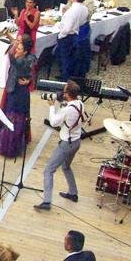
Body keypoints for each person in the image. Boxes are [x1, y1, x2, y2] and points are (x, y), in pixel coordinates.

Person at [35, 80, 84, 211]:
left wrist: (52, 106)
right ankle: (73, 193)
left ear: (68, 94)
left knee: (48, 170)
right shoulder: (80, 104)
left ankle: (46, 201)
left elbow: (54, 122)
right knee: (66, 166)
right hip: (76, 142)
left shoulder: (67, 110)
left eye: (64, 90)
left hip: (66, 145)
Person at [0, 36, 34, 158]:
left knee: (16, 117)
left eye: (20, 48)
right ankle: (6, 142)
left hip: (20, 92)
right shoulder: (21, 56)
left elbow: (25, 68)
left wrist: (29, 80)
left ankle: (11, 146)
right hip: (12, 88)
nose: (17, 49)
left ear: (25, 50)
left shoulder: (29, 59)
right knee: (9, 113)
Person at [55, 0, 91, 82]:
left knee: (65, 59)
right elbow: (83, 21)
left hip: (67, 36)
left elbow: (66, 28)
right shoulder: (84, 9)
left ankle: (65, 79)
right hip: (75, 34)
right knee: (71, 58)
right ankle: (69, 77)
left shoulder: (71, 11)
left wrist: (60, 35)